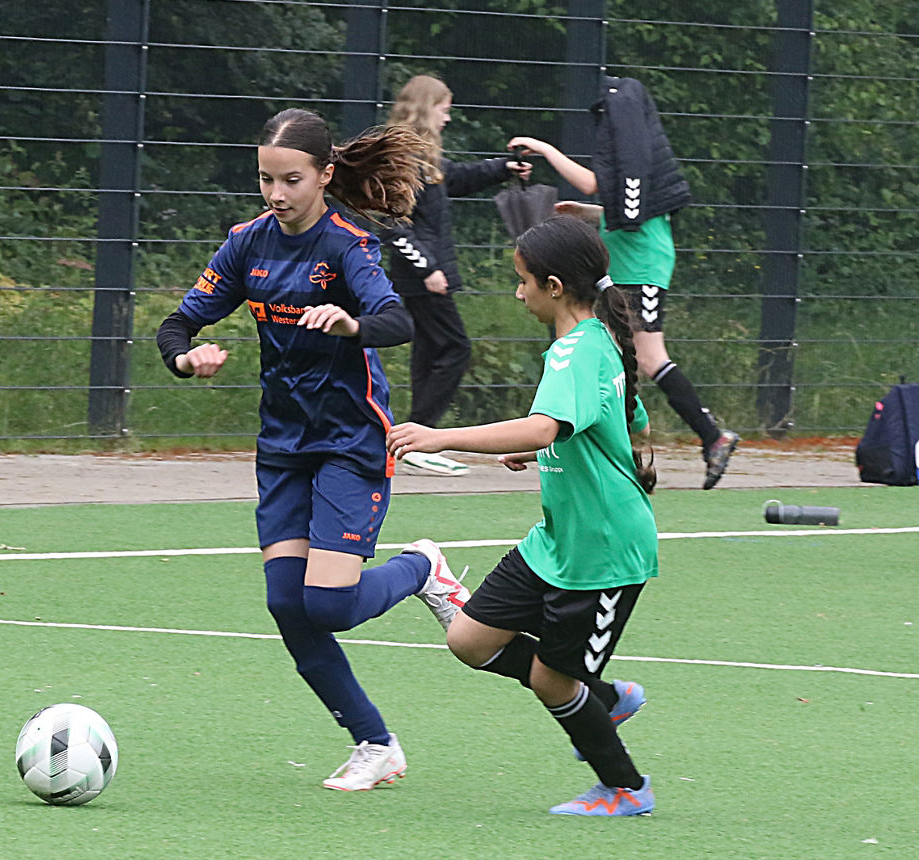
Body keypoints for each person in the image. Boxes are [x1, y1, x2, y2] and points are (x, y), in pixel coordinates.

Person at [155, 108, 471, 792]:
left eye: (291, 179)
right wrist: (187, 360)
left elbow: (396, 321)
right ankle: (374, 743)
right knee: (285, 602)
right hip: (284, 447)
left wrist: (351, 322)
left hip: (351, 443)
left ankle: (420, 567)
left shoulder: (348, 246)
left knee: (327, 604)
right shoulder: (246, 244)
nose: (276, 193)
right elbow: (178, 323)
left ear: (325, 176)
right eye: (266, 179)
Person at [387, 215, 659, 816]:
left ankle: (625, 787)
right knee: (468, 638)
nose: (518, 292)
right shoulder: (594, 342)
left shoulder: (575, 351)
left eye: (523, 281)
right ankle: (604, 695)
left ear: (555, 287)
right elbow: (624, 423)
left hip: (603, 553)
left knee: (551, 680)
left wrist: (441, 438)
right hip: (557, 542)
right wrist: (545, 446)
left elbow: (549, 422)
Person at [509, 75, 740, 489]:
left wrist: (543, 149)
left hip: (643, 267)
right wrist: (590, 214)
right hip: (627, 264)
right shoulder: (637, 161)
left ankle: (713, 437)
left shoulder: (636, 158)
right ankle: (615, 444)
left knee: (648, 358)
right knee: (613, 357)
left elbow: (604, 190)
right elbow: (618, 206)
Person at [379, 74, 530, 477]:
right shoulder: (402, 157)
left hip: (428, 273)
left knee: (430, 352)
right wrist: (427, 268)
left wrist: (503, 167)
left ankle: (409, 442)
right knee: (455, 348)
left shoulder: (423, 155)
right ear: (427, 107)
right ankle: (417, 440)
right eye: (444, 109)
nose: (447, 117)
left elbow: (456, 178)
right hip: (423, 275)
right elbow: (391, 223)